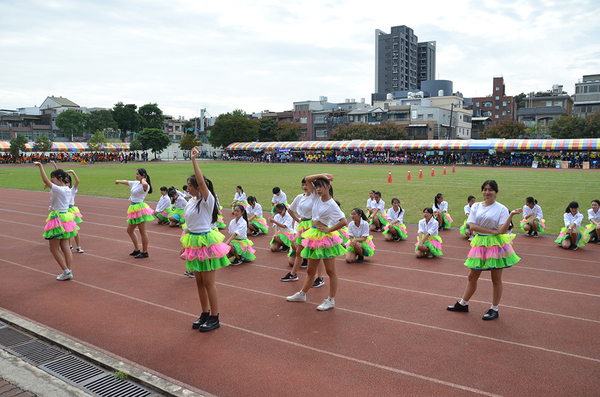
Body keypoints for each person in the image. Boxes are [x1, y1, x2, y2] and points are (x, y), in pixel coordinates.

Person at [446, 180, 522, 321]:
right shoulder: (475, 206)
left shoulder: (501, 209)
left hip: (496, 245)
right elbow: (472, 226)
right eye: (485, 189)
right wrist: (493, 231)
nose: (487, 192)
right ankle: (464, 303)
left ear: (496, 192)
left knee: (496, 278)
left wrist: (511, 215)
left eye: (490, 190)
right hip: (480, 242)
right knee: (472, 276)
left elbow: (503, 230)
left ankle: (494, 309)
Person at [182, 146, 230, 332]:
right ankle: (204, 313)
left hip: (206, 242)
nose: (188, 188)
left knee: (209, 283)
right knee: (199, 282)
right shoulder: (191, 202)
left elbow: (202, 183)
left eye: (191, 185)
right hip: (194, 242)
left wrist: (193, 160)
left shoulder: (208, 200)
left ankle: (214, 317)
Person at [287, 173, 347, 311]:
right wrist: (322, 175)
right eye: (317, 186)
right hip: (313, 235)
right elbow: (308, 178)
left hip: (325, 239)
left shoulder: (332, 205)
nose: (318, 189)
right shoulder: (316, 197)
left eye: (321, 186)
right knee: (310, 270)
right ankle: (302, 294)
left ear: (328, 187)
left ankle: (331, 300)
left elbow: (343, 221)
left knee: (331, 271)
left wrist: (329, 230)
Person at [34, 162, 78, 280]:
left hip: (57, 218)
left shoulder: (59, 190)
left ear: (59, 178)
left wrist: (40, 166)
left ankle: (66, 271)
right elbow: (54, 183)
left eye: (52, 177)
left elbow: (45, 181)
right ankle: (68, 271)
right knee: (65, 247)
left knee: (53, 249)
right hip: (66, 218)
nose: (51, 180)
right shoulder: (68, 189)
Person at [281, 179, 315, 282]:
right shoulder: (299, 197)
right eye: (303, 185)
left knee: (311, 252)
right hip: (302, 225)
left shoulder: (315, 197)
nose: (305, 186)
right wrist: (298, 220)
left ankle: (315, 277)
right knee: (299, 251)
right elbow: (290, 210)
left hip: (312, 225)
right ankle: (293, 274)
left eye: (307, 184)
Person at [115, 168, 154, 258]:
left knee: (142, 231)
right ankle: (137, 250)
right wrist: (118, 181)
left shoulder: (145, 186)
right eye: (136, 174)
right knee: (129, 230)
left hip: (140, 208)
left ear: (143, 175)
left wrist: (144, 180)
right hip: (133, 208)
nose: (136, 175)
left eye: (138, 174)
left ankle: (145, 252)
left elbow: (145, 184)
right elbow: (126, 181)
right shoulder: (135, 183)